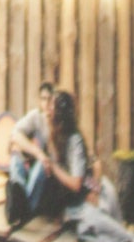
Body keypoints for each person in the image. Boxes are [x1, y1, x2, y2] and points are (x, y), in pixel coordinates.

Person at [6, 84, 89, 226]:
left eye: (51, 103)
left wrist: (47, 160)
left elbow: (73, 181)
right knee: (17, 157)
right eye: (44, 100)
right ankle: (17, 194)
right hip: (46, 174)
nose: (47, 107)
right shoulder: (39, 118)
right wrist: (38, 153)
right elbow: (14, 135)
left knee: (42, 165)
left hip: (59, 188)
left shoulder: (71, 136)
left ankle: (23, 207)